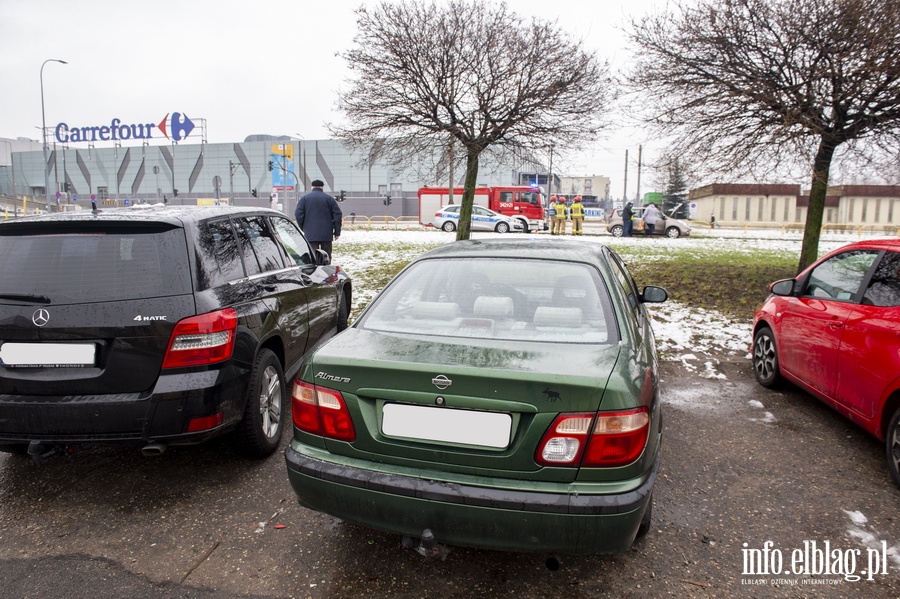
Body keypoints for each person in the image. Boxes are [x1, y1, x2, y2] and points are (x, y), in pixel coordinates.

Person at [295, 179, 342, 258]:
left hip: (310, 233)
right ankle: (325, 269)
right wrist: (337, 232)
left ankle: (315, 269)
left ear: (312, 187)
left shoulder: (304, 199)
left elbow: (298, 214)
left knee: (313, 257)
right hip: (326, 234)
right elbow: (337, 215)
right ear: (322, 187)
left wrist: (304, 227)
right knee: (326, 257)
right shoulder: (329, 199)